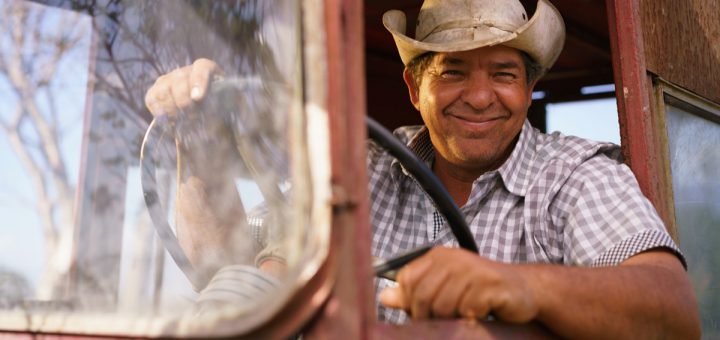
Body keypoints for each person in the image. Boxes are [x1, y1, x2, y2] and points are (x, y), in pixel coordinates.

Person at [144, 0, 700, 337]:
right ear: (414, 89)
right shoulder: (361, 168)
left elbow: (671, 311)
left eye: (504, 74)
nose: (480, 97)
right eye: (453, 72)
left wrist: (513, 285)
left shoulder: (575, 175)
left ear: (530, 90)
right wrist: (197, 149)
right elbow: (232, 272)